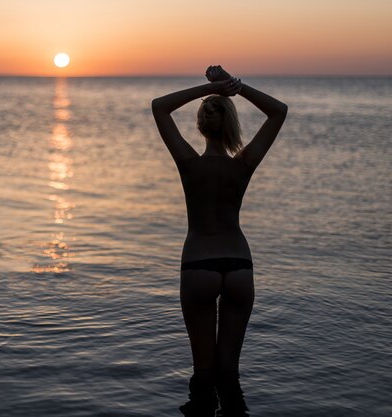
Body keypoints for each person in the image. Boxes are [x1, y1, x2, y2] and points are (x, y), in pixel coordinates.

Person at [151, 66, 287, 416]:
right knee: (230, 374)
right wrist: (236, 87)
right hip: (240, 266)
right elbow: (278, 111)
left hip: (198, 265)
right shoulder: (244, 165)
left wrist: (210, 88)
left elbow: (159, 106)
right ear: (230, 126)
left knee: (203, 374)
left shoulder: (188, 164)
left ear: (200, 126)